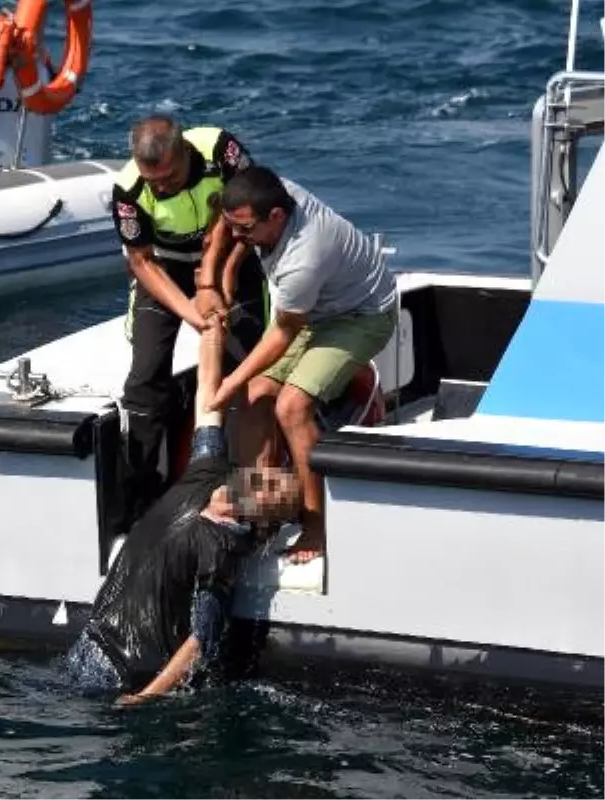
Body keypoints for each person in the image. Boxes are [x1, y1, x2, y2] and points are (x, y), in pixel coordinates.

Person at [66, 313, 300, 703]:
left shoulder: (221, 548)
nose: (261, 477)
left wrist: (147, 696)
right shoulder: (209, 473)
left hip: (122, 670)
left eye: (268, 489)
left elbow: (200, 641)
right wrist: (211, 331)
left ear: (257, 515)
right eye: (269, 476)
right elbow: (209, 401)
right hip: (92, 639)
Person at [205, 165, 398, 564]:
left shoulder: (304, 258)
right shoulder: (273, 193)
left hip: (362, 316)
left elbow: (283, 332)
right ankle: (257, 509)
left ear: (276, 216)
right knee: (256, 394)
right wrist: (223, 271)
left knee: (290, 406)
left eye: (245, 230)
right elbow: (234, 222)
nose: (237, 236)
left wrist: (227, 385)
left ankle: (316, 524)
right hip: (314, 311)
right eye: (232, 226)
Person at [111, 113, 267, 523]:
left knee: (248, 372)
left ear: (186, 153)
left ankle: (247, 492)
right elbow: (141, 263)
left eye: (170, 177)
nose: (161, 187)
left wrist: (220, 276)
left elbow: (251, 217)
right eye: (154, 182)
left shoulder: (221, 151)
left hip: (236, 256)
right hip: (164, 273)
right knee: (143, 382)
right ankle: (141, 499)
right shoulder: (127, 192)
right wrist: (193, 313)